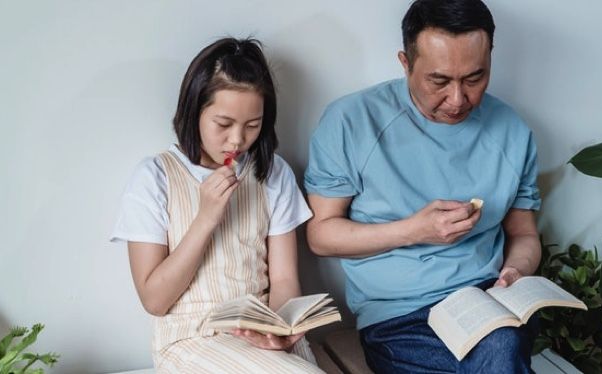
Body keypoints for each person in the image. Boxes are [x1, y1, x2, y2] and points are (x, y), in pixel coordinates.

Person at [304, 0, 541, 372]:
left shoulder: (513, 131)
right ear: (405, 63)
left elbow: (524, 234)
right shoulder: (351, 121)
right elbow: (320, 235)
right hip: (400, 318)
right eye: (439, 81)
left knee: (501, 344)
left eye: (475, 79)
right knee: (501, 353)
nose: (458, 99)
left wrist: (516, 272)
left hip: (488, 302)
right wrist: (415, 230)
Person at [111, 38, 323, 373]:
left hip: (264, 331)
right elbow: (154, 299)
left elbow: (283, 279)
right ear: (194, 110)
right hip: (191, 338)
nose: (238, 140)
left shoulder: (273, 172)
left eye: (252, 126)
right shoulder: (155, 177)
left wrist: (281, 330)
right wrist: (206, 218)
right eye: (224, 124)